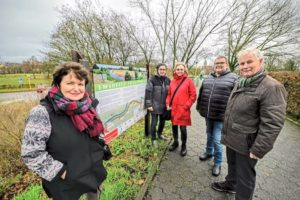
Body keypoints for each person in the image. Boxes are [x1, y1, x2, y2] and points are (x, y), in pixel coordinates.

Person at [21, 62, 107, 200]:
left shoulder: (88, 106)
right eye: (70, 83)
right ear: (58, 84)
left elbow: (97, 131)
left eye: (80, 84)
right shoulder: (42, 113)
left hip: (93, 174)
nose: (76, 88)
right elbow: (31, 153)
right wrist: (63, 173)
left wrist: (101, 145)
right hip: (66, 184)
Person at [212, 49, 287, 200]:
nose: (245, 66)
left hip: (247, 144)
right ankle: (231, 184)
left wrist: (258, 149)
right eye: (242, 63)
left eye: (249, 62)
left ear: (261, 62)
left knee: (245, 177)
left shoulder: (271, 87)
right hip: (233, 137)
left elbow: (273, 123)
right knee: (232, 166)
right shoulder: (241, 82)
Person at [196, 56, 238, 176]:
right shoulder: (209, 77)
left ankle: (218, 163)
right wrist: (199, 107)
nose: (218, 65)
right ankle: (209, 152)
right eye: (216, 63)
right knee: (209, 134)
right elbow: (202, 93)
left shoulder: (234, 78)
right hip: (208, 114)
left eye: (221, 63)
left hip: (221, 116)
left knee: (217, 139)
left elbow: (236, 99)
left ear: (227, 64)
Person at [167, 62, 196, 156]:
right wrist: (168, 103)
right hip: (174, 109)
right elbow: (169, 94)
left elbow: (193, 95)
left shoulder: (189, 81)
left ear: (184, 70)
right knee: (174, 127)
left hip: (183, 110)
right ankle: (176, 142)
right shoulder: (172, 81)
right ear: (175, 70)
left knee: (183, 129)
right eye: (177, 69)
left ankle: (184, 145)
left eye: (181, 69)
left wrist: (186, 106)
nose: (179, 71)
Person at [145, 63, 171, 147]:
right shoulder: (152, 79)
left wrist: (169, 104)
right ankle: (153, 139)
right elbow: (148, 92)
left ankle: (159, 134)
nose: (162, 71)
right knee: (154, 123)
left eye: (164, 69)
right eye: (161, 69)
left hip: (164, 107)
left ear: (166, 70)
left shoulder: (168, 80)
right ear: (158, 70)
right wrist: (149, 104)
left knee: (162, 123)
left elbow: (170, 93)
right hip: (154, 106)